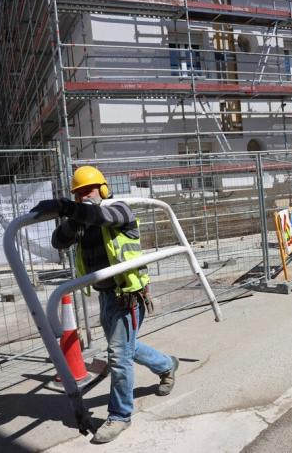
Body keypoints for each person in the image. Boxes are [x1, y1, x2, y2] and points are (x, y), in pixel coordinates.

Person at [30, 166, 178, 444]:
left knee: (119, 356)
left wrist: (66, 207)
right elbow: (58, 241)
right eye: (78, 193)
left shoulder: (119, 210)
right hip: (106, 297)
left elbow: (99, 215)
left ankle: (120, 415)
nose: (85, 196)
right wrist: (71, 218)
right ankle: (167, 365)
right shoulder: (82, 221)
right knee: (127, 349)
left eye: (89, 190)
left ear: (104, 188)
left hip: (129, 297)